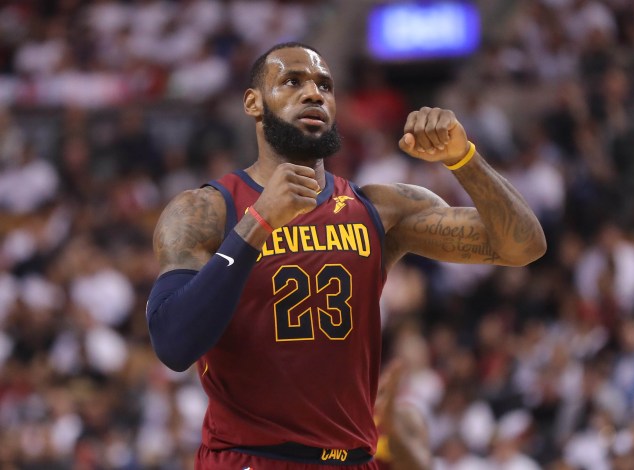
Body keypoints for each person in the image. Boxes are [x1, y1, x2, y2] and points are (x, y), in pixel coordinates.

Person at [146, 42, 546, 469]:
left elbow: (523, 246)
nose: (314, 93)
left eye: (325, 85)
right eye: (292, 81)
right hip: (251, 457)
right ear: (253, 103)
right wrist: (256, 224)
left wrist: (464, 159)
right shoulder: (207, 211)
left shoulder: (378, 208)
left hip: (353, 459)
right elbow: (173, 343)